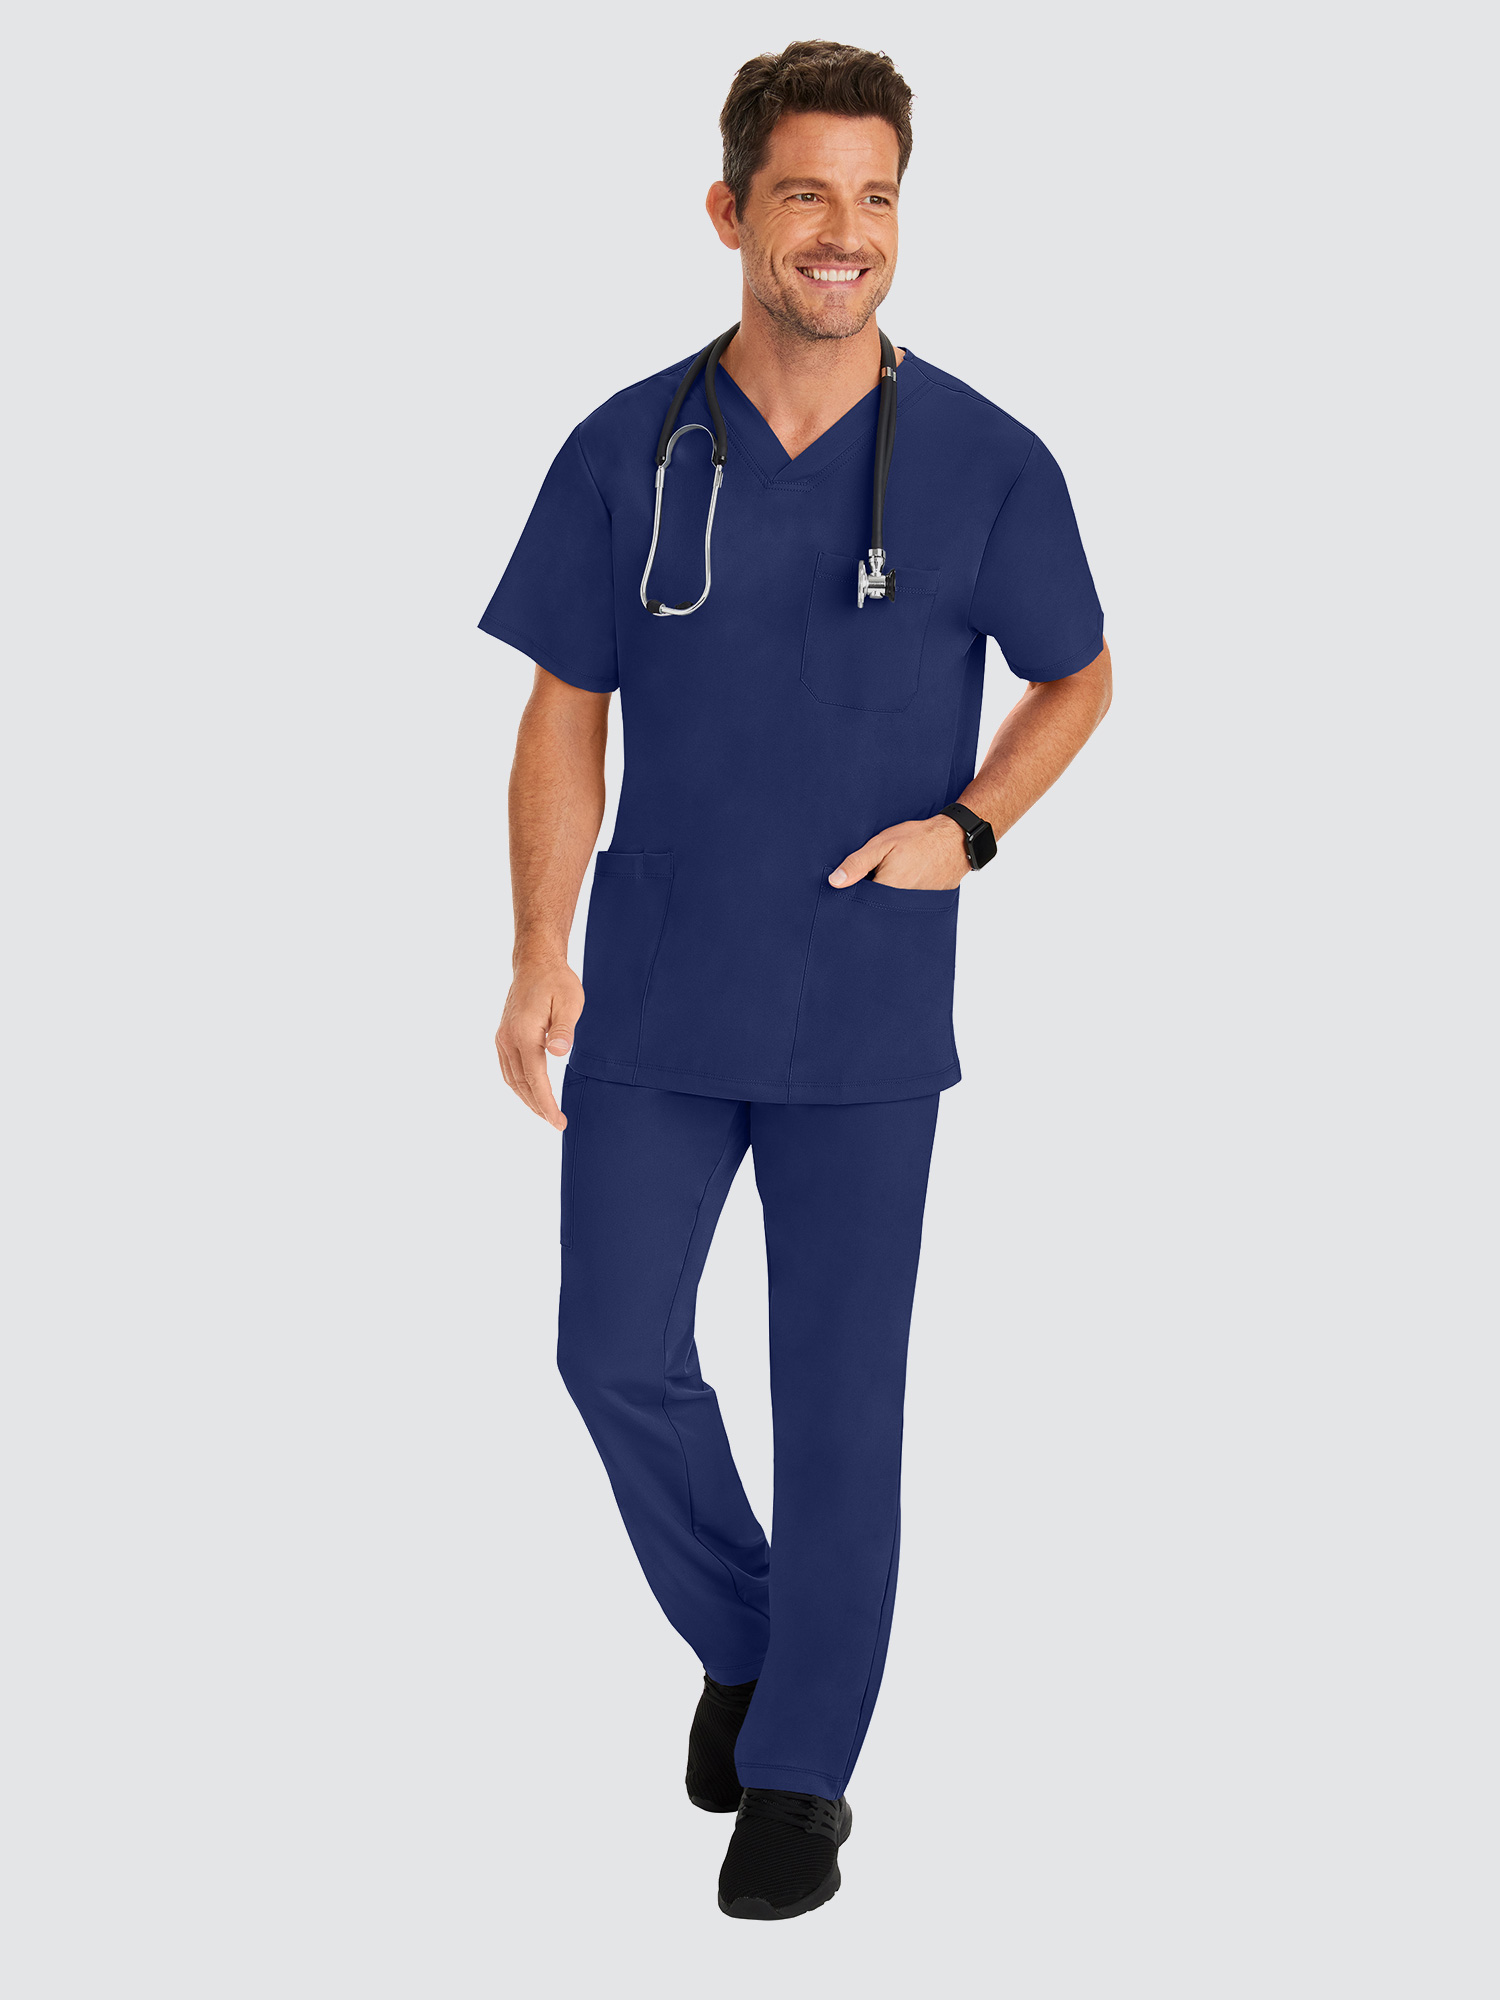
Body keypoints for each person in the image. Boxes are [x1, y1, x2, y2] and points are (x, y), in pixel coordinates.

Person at [481, 40, 1111, 1921]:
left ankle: (805, 1770)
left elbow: (1078, 672)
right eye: (808, 194)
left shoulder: (990, 460)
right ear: (730, 210)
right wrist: (537, 946)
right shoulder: (627, 447)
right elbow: (564, 710)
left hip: (864, 1004)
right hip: (658, 993)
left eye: (878, 196)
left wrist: (975, 827)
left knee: (841, 1409)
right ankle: (755, 1640)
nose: (847, 232)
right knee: (612, 1353)